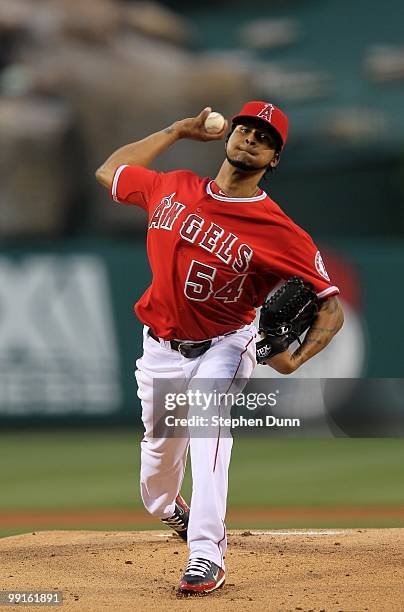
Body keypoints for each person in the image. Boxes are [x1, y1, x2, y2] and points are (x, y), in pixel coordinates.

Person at [95, 101, 344, 595]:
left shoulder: (280, 230)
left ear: (273, 159)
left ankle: (207, 554)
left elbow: (330, 309)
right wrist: (175, 130)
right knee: (157, 476)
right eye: (245, 127)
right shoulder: (173, 185)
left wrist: (293, 359)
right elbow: (110, 170)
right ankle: (172, 510)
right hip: (161, 349)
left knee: (210, 429)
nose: (251, 138)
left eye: (265, 137)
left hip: (225, 345)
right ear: (228, 135)